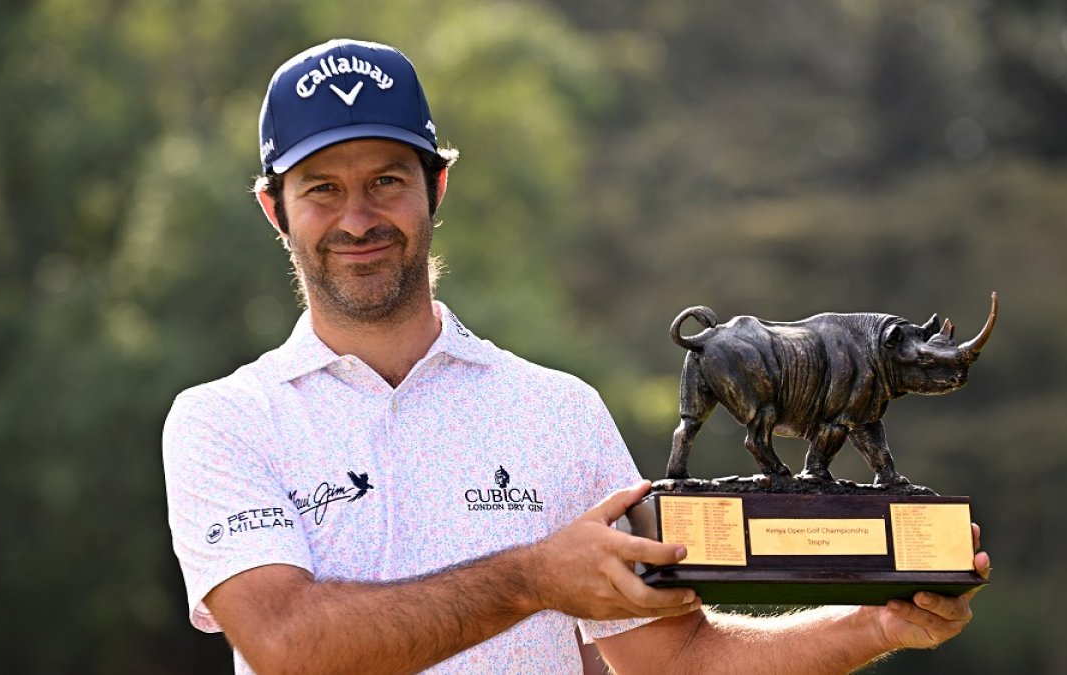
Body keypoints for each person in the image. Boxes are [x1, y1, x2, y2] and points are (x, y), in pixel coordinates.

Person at [162, 38, 990, 675]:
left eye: (386, 180)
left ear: (435, 189)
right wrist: (533, 578)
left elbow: (677, 659)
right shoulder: (226, 421)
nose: (358, 218)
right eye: (322, 189)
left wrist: (873, 625)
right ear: (275, 208)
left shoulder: (554, 410)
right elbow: (287, 642)